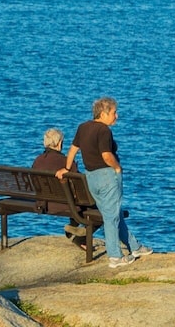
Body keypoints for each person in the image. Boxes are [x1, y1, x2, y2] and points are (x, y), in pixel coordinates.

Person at [58, 97, 150, 268]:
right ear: (103, 113)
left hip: (91, 177)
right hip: (107, 177)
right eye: (114, 113)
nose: (117, 116)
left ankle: (135, 247)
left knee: (114, 212)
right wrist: (117, 168)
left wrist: (66, 168)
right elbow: (106, 156)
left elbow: (72, 150)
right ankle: (115, 256)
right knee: (111, 217)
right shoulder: (104, 131)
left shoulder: (83, 127)